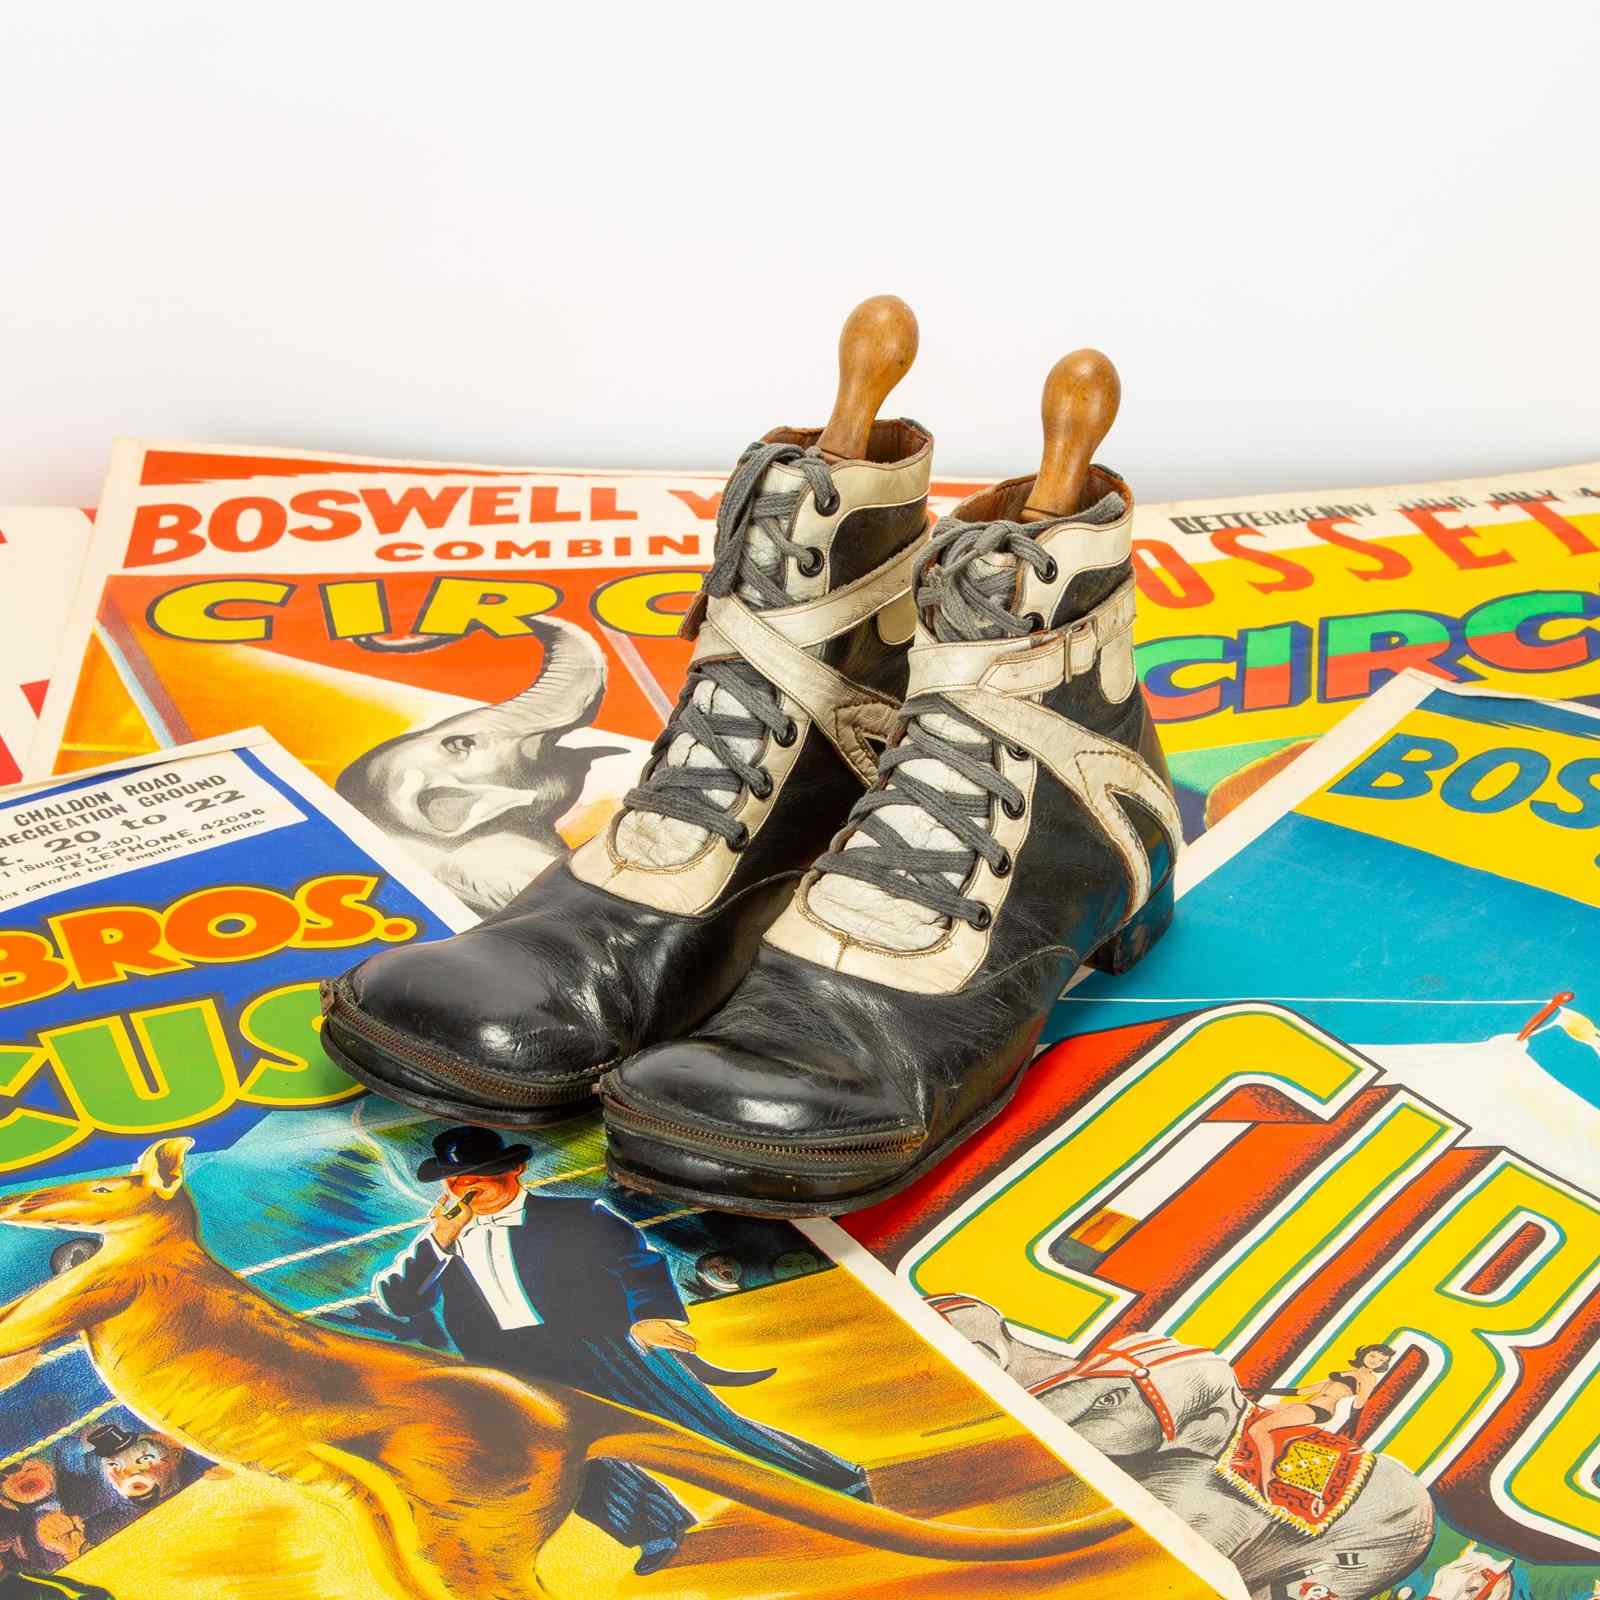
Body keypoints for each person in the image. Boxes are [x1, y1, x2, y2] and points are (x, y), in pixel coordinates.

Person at [372, 1127, 870, 1576]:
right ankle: (657, 1528)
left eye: (477, 1175)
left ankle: (835, 1480)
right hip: (517, 1365)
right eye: (455, 1180)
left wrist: (650, 1317)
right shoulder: (441, 1242)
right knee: (565, 1457)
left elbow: (638, 1262)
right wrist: (439, 1239)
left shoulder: (575, 1215)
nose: (466, 1187)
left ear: (514, 1169)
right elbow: (396, 1300)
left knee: (700, 1428)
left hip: (606, 1347)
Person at [1247, 1344, 1395, 1493]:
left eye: (1381, 1360)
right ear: (1364, 1353)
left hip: (1319, 1410)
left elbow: (1360, 1402)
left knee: (1258, 1428)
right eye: (1373, 1355)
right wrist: (1261, 1391)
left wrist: (1352, 1425)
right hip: (1306, 1405)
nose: (1375, 1361)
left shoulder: (1369, 1378)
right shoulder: (1347, 1372)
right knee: (1259, 1412)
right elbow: (1301, 1391)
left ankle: (1266, 1475)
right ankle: (1252, 1459)